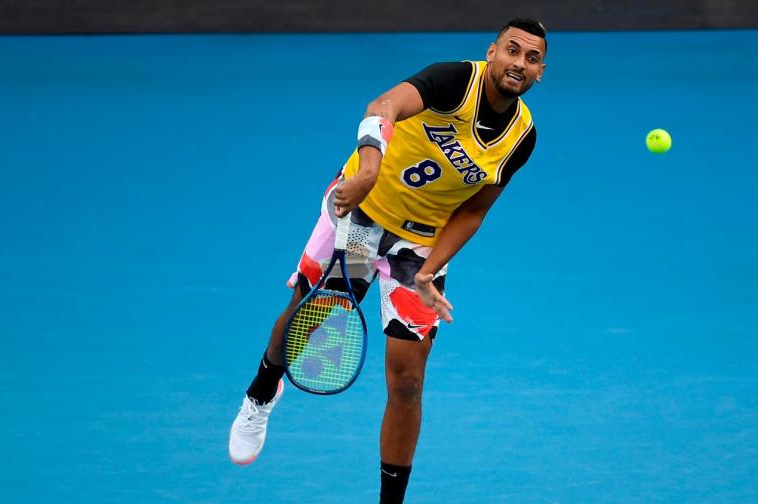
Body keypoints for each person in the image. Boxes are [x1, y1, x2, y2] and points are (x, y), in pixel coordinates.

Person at [229, 18, 547, 503]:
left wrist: (428, 269)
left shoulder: (521, 136)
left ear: (540, 72)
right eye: (511, 50)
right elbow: (384, 106)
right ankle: (261, 391)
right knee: (312, 317)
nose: (518, 63)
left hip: (417, 248)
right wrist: (369, 168)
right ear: (493, 51)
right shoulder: (454, 80)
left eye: (531, 58)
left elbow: (475, 209)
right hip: (362, 215)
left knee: (408, 380)